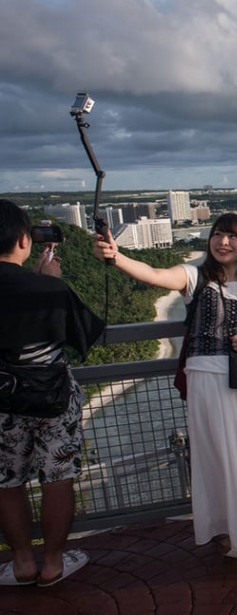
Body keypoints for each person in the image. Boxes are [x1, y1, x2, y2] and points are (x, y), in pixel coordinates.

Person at [93, 213, 237, 562]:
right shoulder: (195, 277)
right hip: (207, 377)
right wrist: (117, 257)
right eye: (218, 235)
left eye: (232, 237)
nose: (223, 242)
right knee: (225, 456)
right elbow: (155, 274)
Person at [0, 200, 105, 587]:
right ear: (25, 240)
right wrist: (51, 283)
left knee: (6, 482)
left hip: (2, 403)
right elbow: (87, 335)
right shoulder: (46, 287)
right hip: (52, 399)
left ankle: (23, 563)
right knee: (56, 478)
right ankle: (54, 563)